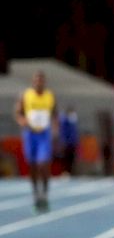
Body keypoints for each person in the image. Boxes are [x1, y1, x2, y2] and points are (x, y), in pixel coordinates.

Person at [14, 70, 56, 211]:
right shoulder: (26, 95)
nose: (39, 82)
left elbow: (55, 114)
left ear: (44, 82)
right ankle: (35, 195)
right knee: (32, 166)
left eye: (41, 80)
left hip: (44, 134)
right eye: (37, 80)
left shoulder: (49, 96)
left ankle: (44, 195)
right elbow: (18, 112)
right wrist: (23, 121)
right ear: (33, 82)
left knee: (43, 164)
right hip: (30, 134)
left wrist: (55, 130)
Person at [59, 107, 79, 176]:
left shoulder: (73, 122)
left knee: (72, 158)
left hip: (72, 142)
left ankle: (71, 172)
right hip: (66, 142)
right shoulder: (65, 121)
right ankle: (65, 171)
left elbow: (75, 133)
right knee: (65, 158)